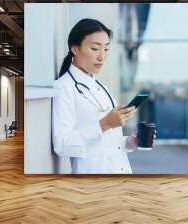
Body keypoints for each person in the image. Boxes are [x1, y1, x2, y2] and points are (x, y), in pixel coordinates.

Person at [52, 18, 149, 174]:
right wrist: (104, 124)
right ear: (75, 49)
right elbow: (62, 145)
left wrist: (130, 142)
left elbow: (107, 142)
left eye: (106, 49)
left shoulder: (102, 88)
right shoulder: (63, 88)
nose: (101, 57)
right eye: (95, 48)